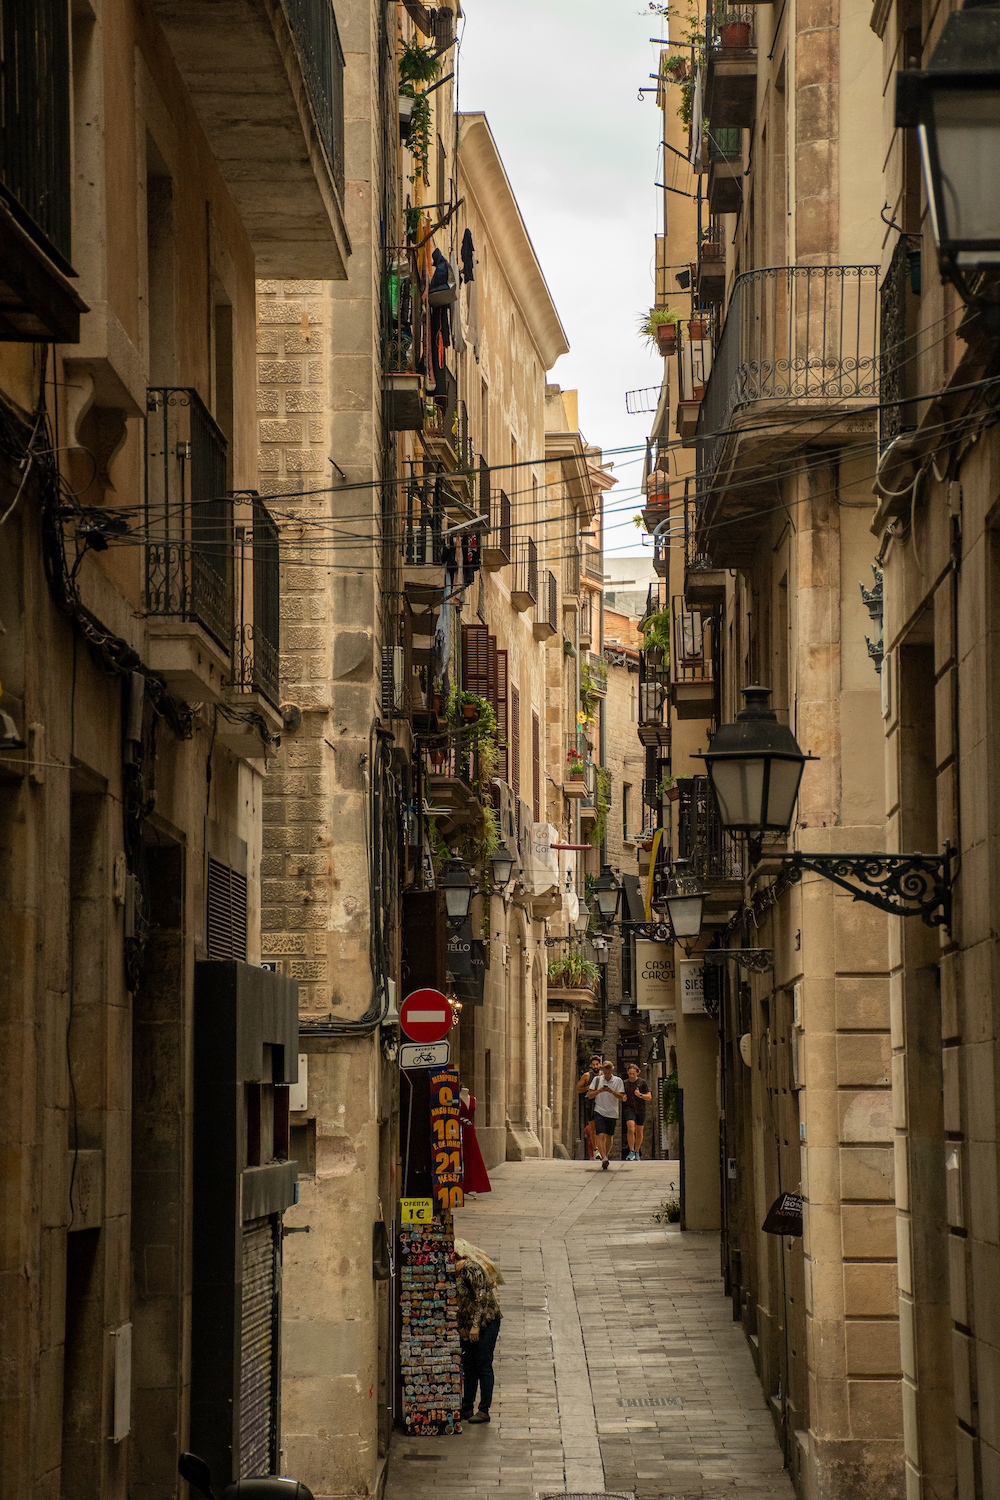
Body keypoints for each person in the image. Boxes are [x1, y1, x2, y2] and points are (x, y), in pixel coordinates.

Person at [456, 1249, 502, 1425]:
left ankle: (483, 1410)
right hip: (467, 1326)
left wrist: (475, 1326)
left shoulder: (471, 1269)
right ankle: (467, 1406)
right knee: (469, 1366)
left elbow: (481, 1298)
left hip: (486, 1322)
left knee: (483, 1364)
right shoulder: (454, 1274)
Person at [587, 1060, 626, 1169]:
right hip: (599, 1110)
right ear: (603, 1071)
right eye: (605, 1072)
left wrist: (611, 1091)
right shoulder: (597, 1080)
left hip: (612, 1112)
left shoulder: (618, 1081)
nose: (607, 1075)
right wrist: (599, 1091)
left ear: (612, 1071)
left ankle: (606, 1155)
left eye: (609, 1073)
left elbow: (621, 1097)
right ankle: (604, 1158)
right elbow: (590, 1095)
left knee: (609, 1136)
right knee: (600, 1135)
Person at [459, 1086, 491, 1195]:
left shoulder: (473, 1099)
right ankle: (462, 1184)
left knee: (472, 1156)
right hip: (460, 1129)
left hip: (470, 1129)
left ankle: (471, 1184)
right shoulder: (457, 1099)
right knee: (461, 1155)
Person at [576, 1053, 604, 1159]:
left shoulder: (604, 1076)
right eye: (593, 1065)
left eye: (597, 1064)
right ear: (591, 1065)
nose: (595, 1066)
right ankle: (596, 1149)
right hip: (590, 1102)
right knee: (593, 1127)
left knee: (601, 1127)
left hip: (602, 1103)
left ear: (600, 1065)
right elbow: (578, 1089)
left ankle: (601, 1149)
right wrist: (587, 1088)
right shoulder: (587, 1076)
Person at [623, 1063, 652, 1161]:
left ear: (637, 1073)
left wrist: (640, 1095)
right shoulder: (624, 1083)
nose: (631, 1076)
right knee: (631, 1128)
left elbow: (649, 1097)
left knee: (639, 1132)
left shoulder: (642, 1083)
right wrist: (622, 1097)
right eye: (630, 1073)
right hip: (629, 1108)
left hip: (640, 1109)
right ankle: (631, 1151)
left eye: (633, 1074)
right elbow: (620, 1094)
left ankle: (637, 1151)